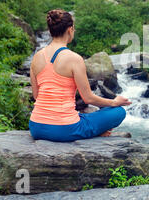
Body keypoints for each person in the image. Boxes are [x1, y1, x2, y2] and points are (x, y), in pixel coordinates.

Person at [29, 9, 131, 142]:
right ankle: (96, 132)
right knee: (118, 112)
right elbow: (88, 98)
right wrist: (114, 102)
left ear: (50, 30)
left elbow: (36, 96)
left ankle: (90, 128)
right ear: (70, 30)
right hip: (64, 129)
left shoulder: (36, 57)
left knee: (82, 117)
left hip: (36, 127)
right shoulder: (74, 59)